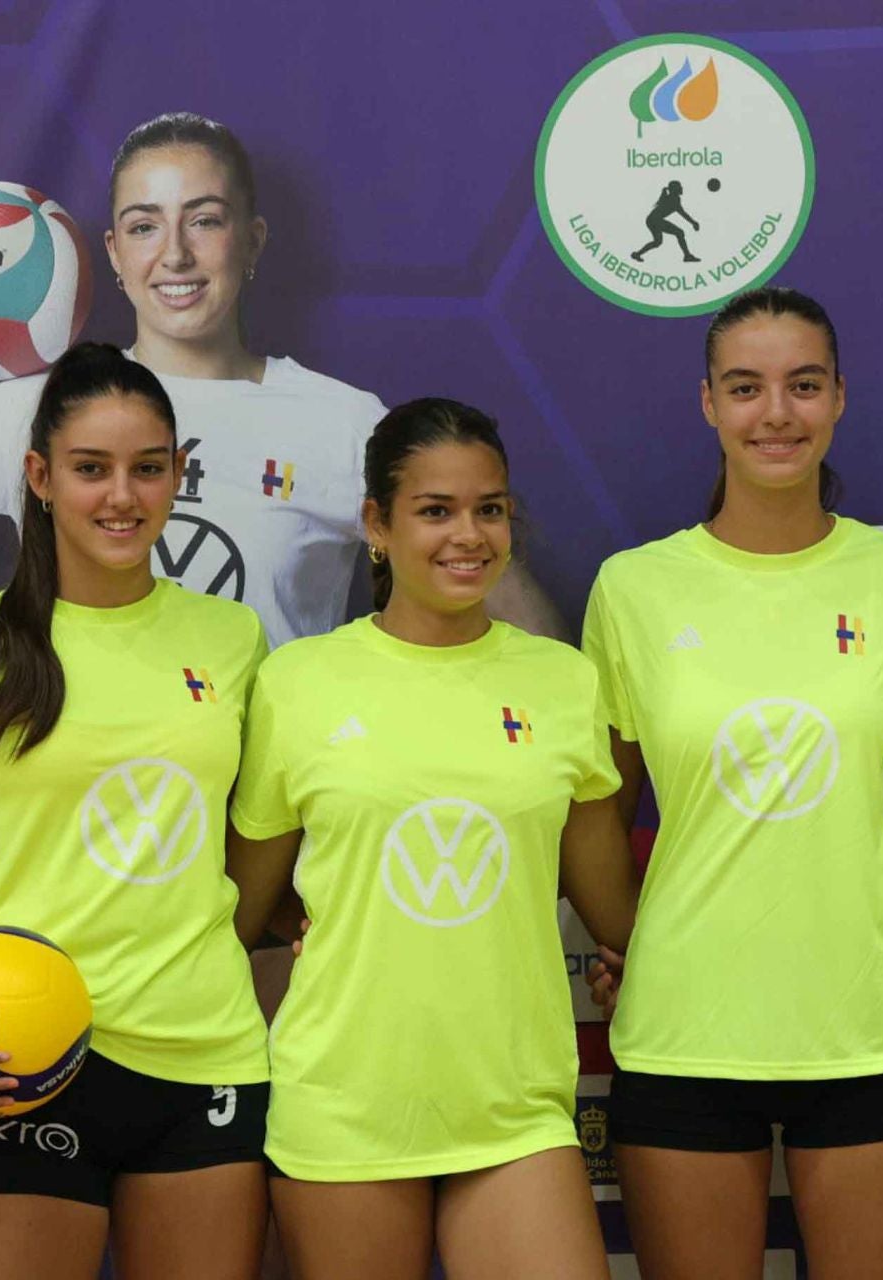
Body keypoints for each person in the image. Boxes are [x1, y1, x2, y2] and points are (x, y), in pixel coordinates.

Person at [0, 110, 559, 646]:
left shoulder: (349, 426)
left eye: (204, 220)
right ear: (111, 256)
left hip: (266, 857)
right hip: (81, 839)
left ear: (253, 240)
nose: (174, 254)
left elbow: (537, 650)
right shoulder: (31, 411)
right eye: (144, 225)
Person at [0, 343, 270, 1280]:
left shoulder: (233, 639)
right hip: (20, 1057)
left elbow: (254, 849)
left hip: (208, 1056)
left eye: (147, 468)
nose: (122, 496)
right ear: (39, 477)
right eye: (90, 469)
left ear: (177, 474)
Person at [579, 286, 883, 1279]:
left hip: (870, 1026)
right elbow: (598, 817)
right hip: (684, 1031)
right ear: (708, 403)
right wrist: (633, 941)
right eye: (746, 387)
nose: (775, 413)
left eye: (803, 385)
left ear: (839, 399)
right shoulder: (633, 587)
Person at [225, 398, 638, 1280]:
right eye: (435, 510)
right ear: (376, 524)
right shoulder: (298, 684)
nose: (469, 536)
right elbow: (231, 913)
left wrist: (639, 958)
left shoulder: (564, 683)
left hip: (514, 1108)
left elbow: (618, 918)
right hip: (343, 1108)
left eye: (489, 509)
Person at [630, 181, 700, 264]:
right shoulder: (674, 199)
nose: (682, 188)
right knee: (679, 233)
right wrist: (693, 223)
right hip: (655, 220)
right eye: (679, 187)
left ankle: (637, 254)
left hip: (652, 220)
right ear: (675, 189)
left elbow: (682, 213)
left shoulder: (673, 198)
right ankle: (687, 256)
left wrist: (693, 223)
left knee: (658, 242)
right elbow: (683, 213)